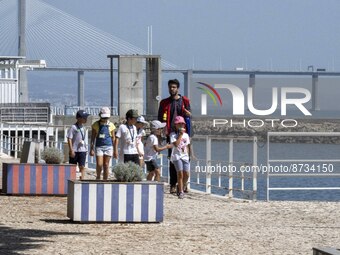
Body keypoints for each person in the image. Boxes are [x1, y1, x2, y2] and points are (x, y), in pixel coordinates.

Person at [158, 79, 191, 193]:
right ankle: (173, 184)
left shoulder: (185, 101)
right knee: (173, 159)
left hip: (183, 133)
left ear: (178, 88)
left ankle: (183, 185)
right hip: (170, 134)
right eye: (170, 87)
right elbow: (160, 119)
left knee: (186, 158)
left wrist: (188, 114)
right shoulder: (164, 102)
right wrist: (161, 133)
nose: (172, 89)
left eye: (174, 87)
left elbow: (189, 115)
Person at [90, 107, 115, 180]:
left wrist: (114, 148)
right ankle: (98, 177)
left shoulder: (111, 125)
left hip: (109, 146)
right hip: (99, 147)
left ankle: (105, 179)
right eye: (104, 117)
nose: (105, 119)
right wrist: (91, 148)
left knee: (106, 165)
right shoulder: (95, 125)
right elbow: (93, 137)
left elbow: (113, 137)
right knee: (99, 164)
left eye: (106, 118)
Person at [170, 116, 191, 199]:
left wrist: (189, 155)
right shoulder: (173, 135)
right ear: (175, 125)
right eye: (179, 124)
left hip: (185, 156)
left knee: (187, 174)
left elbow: (187, 146)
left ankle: (180, 186)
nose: (181, 125)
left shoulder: (186, 135)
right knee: (180, 174)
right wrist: (180, 135)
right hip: (176, 156)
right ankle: (181, 191)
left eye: (182, 123)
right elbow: (176, 144)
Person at [67, 110, 90, 180]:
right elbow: (69, 138)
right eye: (84, 118)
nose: (86, 119)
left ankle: (82, 179)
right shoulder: (73, 127)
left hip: (82, 150)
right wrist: (71, 150)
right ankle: (72, 179)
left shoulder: (84, 127)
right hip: (75, 150)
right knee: (72, 166)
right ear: (79, 118)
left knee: (82, 166)